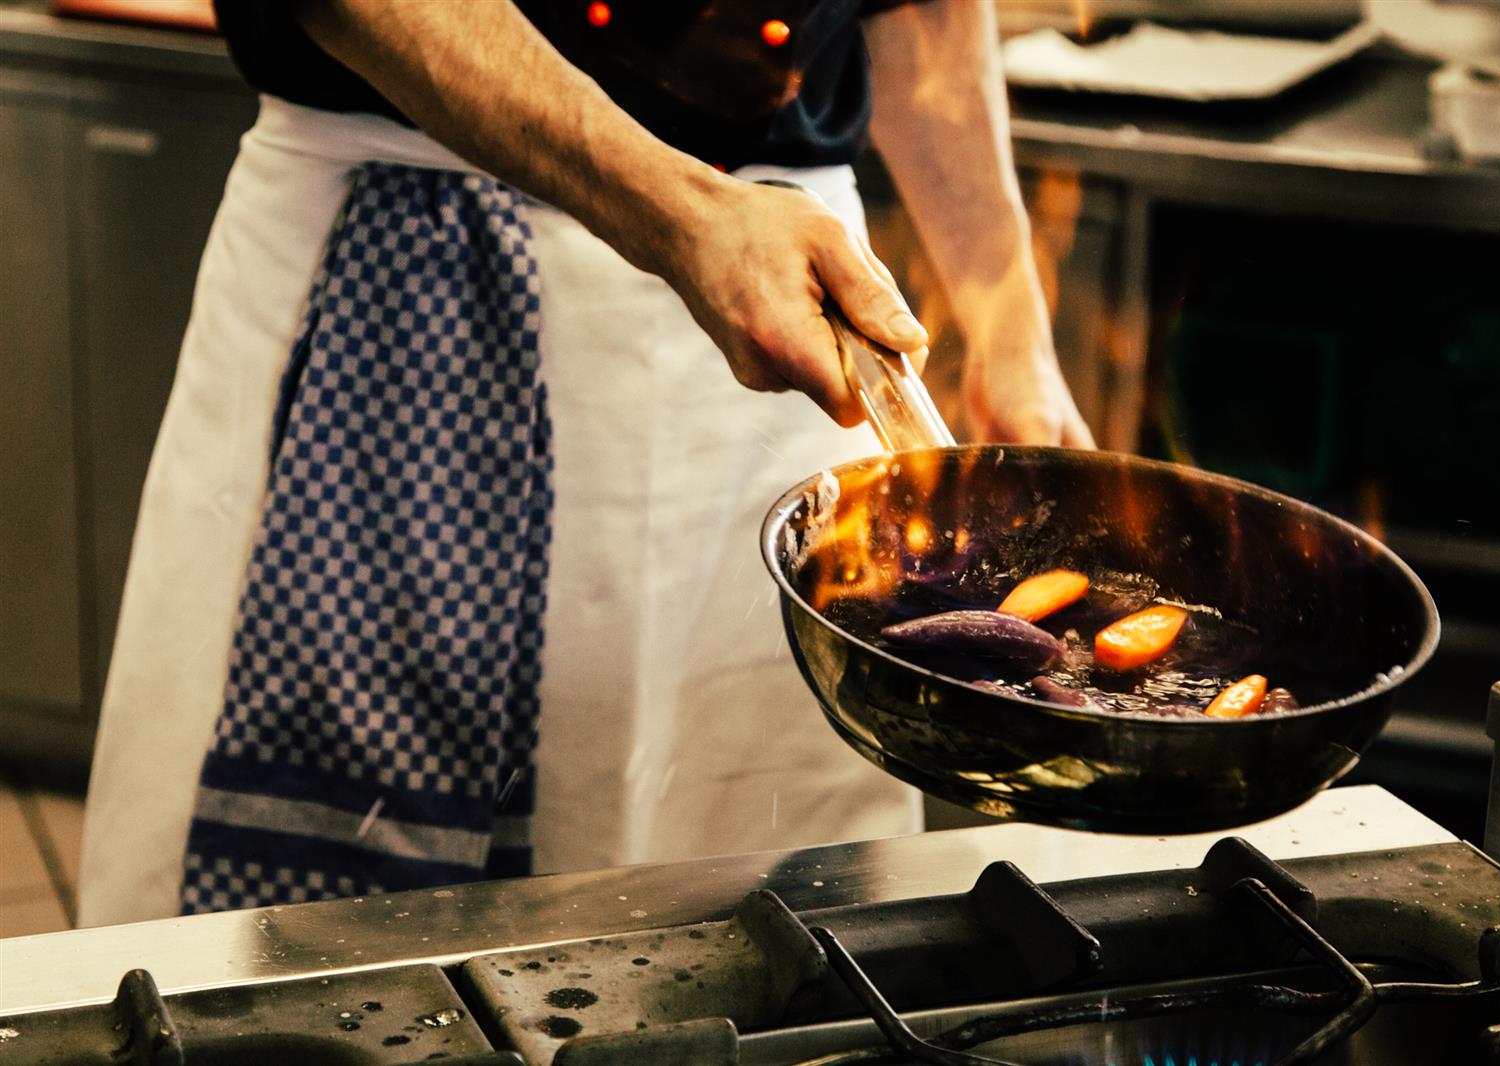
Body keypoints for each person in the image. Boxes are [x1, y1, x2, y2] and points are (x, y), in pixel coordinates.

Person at [77, 0, 1093, 925]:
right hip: (405, 284)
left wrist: (1011, 333)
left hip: (795, 313)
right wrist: (681, 214)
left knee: (763, 903)